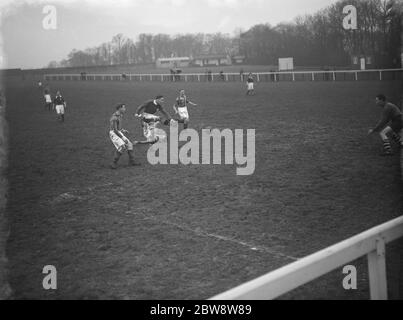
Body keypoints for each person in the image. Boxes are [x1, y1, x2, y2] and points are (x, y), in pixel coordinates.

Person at [109, 104, 139, 169]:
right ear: (120, 108)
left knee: (130, 145)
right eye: (124, 107)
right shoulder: (114, 117)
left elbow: (117, 127)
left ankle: (132, 162)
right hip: (114, 133)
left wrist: (122, 130)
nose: (125, 109)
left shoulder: (120, 115)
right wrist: (122, 137)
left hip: (117, 131)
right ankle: (113, 163)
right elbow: (115, 130)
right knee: (122, 147)